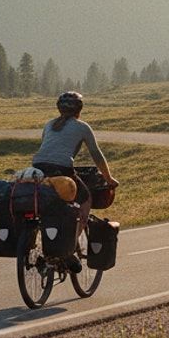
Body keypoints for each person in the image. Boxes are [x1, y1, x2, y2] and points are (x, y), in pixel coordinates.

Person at [31, 91, 119, 273]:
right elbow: (96, 155)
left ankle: (47, 245)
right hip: (62, 169)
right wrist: (109, 179)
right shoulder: (82, 127)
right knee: (85, 199)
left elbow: (49, 149)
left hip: (38, 167)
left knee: (52, 203)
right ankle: (69, 249)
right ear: (79, 109)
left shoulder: (49, 125)